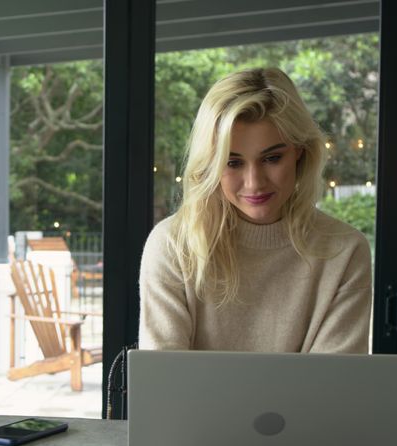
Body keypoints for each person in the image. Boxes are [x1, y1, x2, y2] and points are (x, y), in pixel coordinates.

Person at [139, 67, 371, 353]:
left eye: (272, 158)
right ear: (210, 164)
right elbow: (164, 387)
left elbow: (334, 390)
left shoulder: (344, 250)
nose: (255, 183)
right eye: (233, 162)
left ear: (300, 151)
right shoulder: (173, 245)